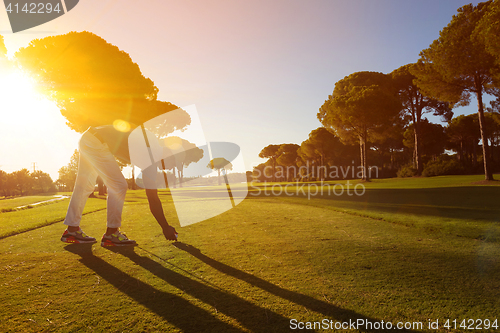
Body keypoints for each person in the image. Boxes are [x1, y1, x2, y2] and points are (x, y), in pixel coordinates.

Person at [61, 125, 178, 246]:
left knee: (85, 186)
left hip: (88, 137)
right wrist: (165, 227)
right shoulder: (152, 157)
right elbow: (153, 199)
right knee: (119, 185)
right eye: (174, 161)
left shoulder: (153, 146)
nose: (172, 166)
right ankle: (111, 234)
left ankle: (72, 230)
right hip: (97, 142)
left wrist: (165, 226)